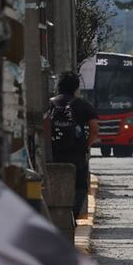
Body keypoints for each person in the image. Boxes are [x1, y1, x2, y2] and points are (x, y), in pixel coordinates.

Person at [43, 72, 99, 222]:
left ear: (58, 86)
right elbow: (94, 130)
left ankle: (53, 217)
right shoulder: (84, 105)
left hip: (52, 154)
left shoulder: (48, 105)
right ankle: (71, 216)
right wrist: (86, 146)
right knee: (80, 187)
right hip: (76, 155)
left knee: (50, 186)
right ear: (76, 87)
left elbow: (42, 128)